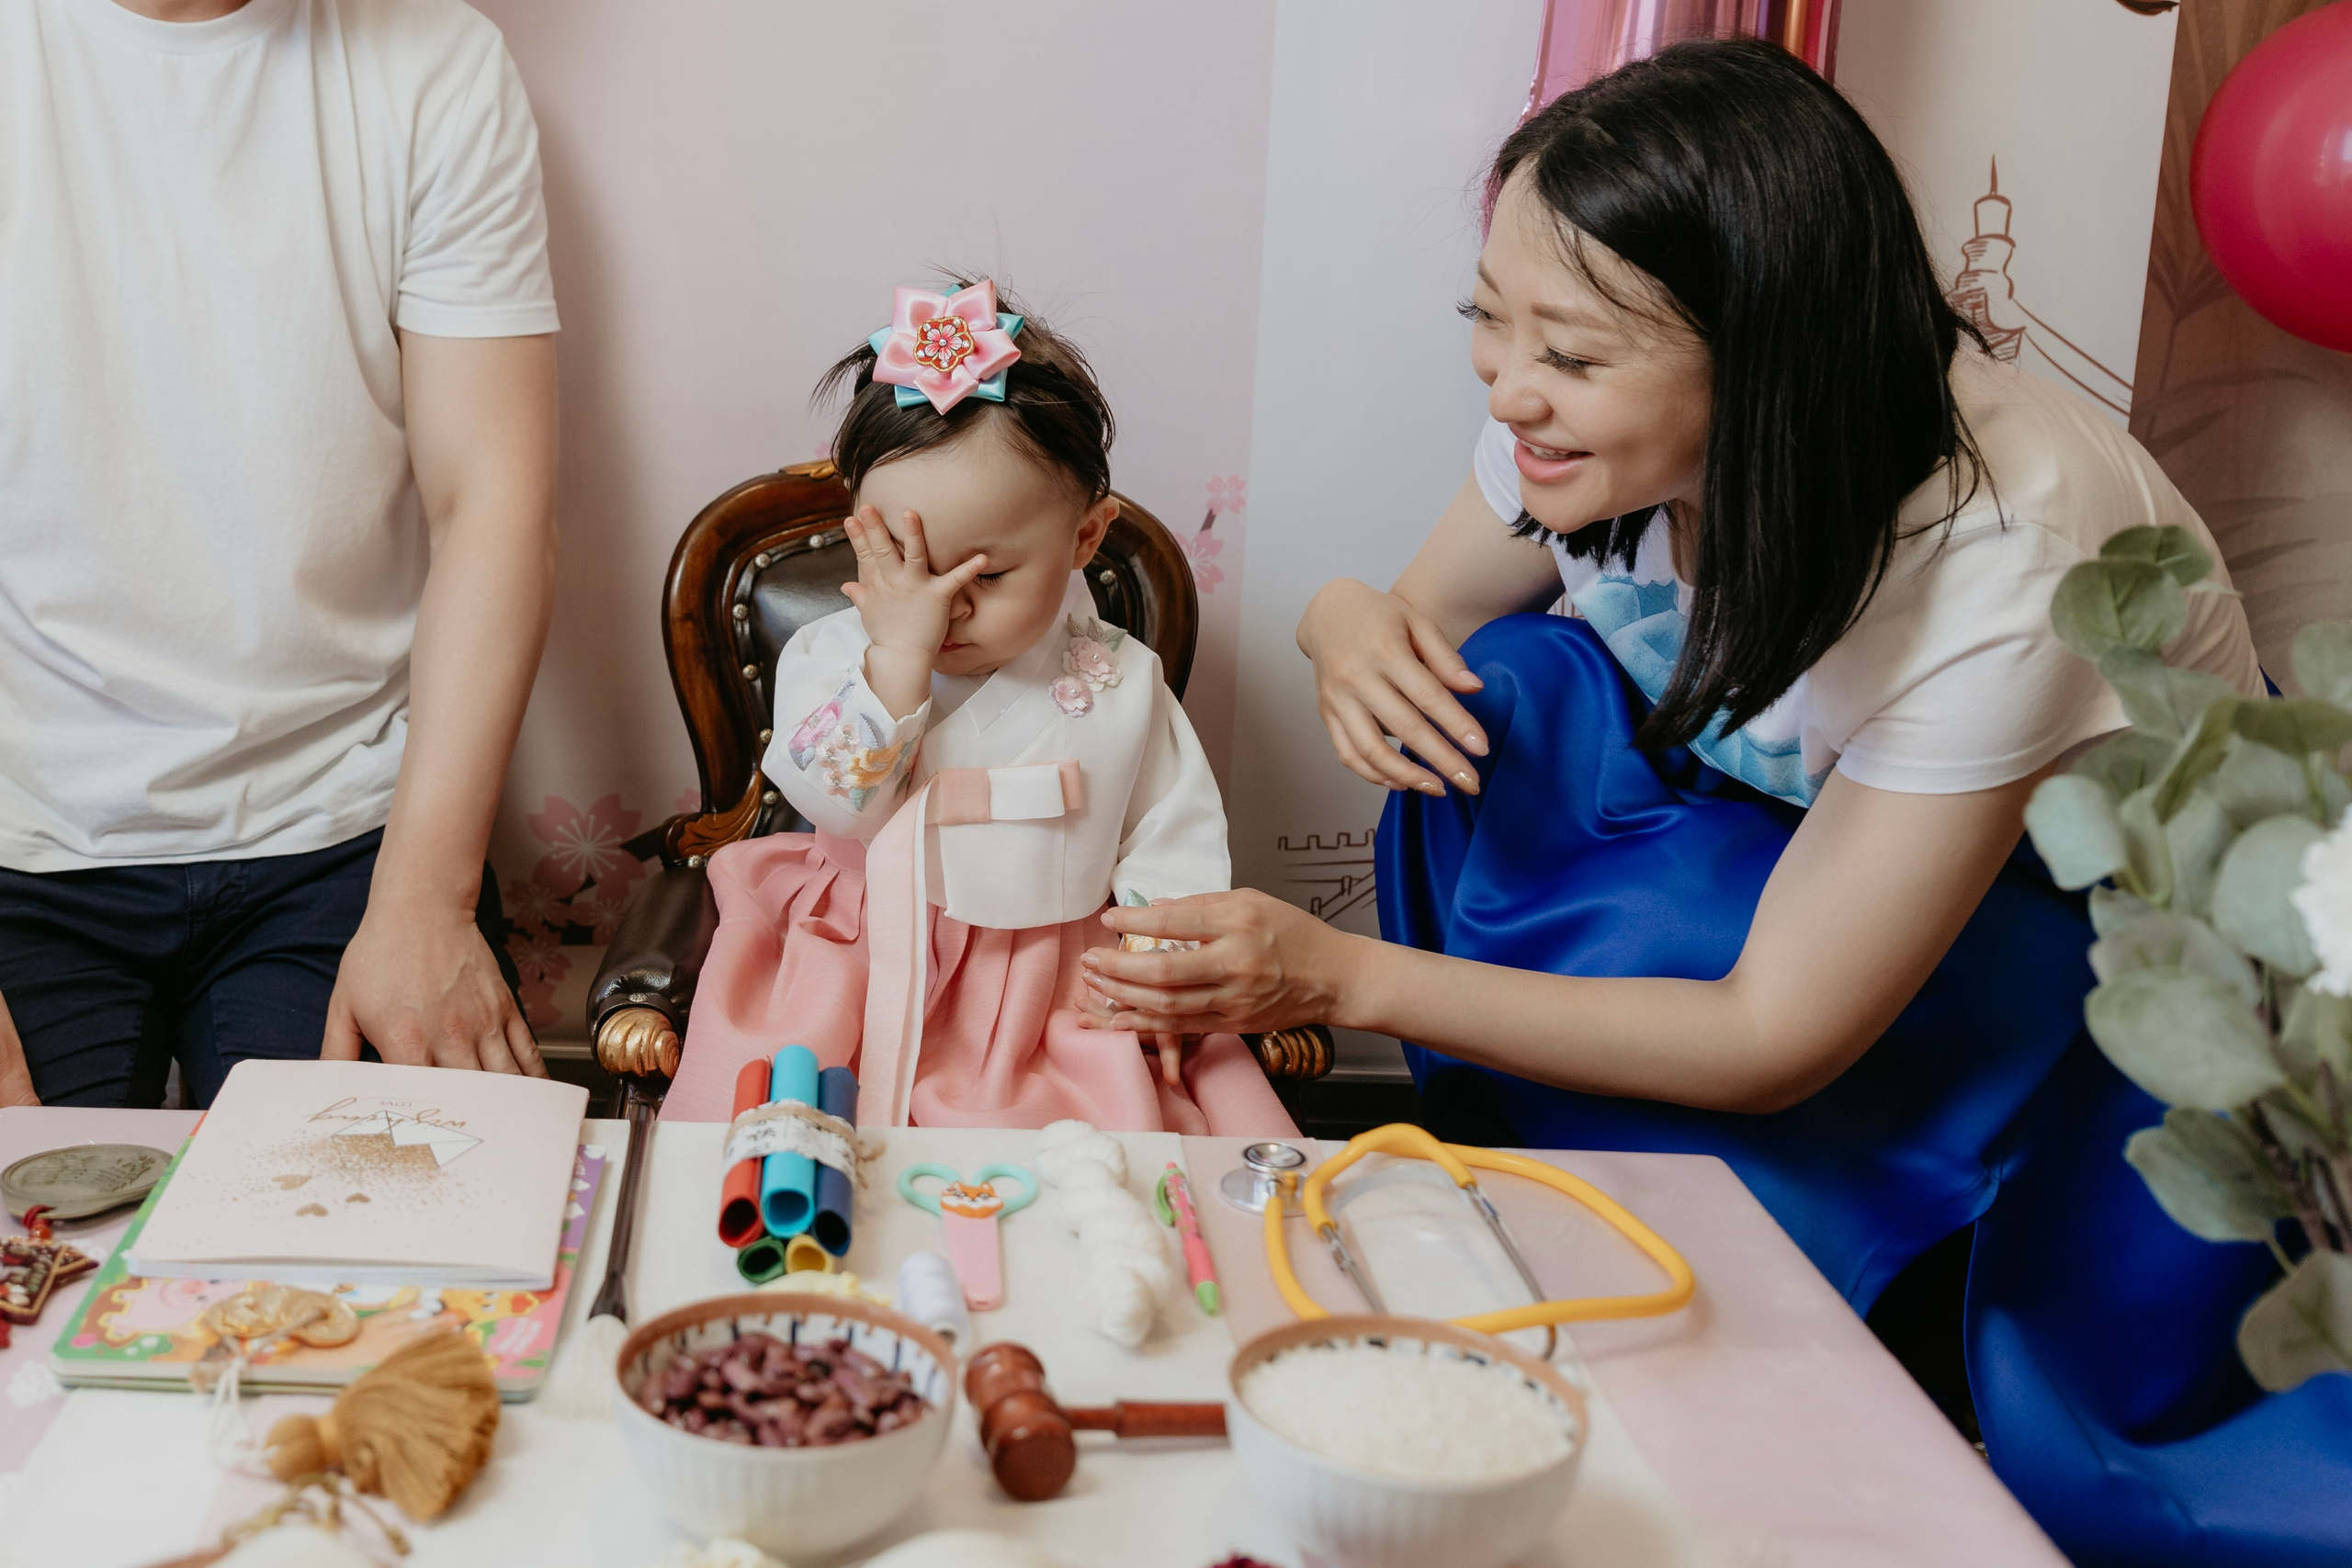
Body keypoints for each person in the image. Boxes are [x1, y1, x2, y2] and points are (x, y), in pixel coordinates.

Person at [1080, 39, 2352, 1563]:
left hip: (2097, 954)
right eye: (1490, 326)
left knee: (2084, 1457)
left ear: (1764, 352)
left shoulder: (2012, 563)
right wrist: (1341, 617)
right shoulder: (1585, 421)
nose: (1509, 389)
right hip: (1836, 857)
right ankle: (1590, 1183)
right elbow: (1419, 616)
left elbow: (1774, 1031)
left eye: (1567, 352)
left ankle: (1862, 1284)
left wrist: (1332, 970)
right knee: (1502, 692)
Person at [0, 0, 561, 1108]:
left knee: (379, 1266)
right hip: (26, 843)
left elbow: (489, 502)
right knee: (36, 1262)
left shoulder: (436, 56)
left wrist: (425, 902)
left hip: (349, 835)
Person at [660, 281, 1295, 1137]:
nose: (941, 606)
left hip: (1044, 971)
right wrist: (895, 661)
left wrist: (1163, 965)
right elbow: (838, 803)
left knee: (1087, 1148)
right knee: (785, 1124)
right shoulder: (835, 655)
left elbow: (1169, 835)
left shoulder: (1119, 680)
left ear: (1084, 536)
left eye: (985, 577)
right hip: (859, 952)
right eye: (903, 560)